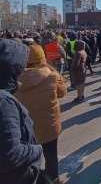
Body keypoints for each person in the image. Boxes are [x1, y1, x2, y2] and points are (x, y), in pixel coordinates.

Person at [14, 43, 67, 184]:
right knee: (51, 157)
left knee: (28, 161)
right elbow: (62, 92)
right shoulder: (51, 75)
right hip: (48, 124)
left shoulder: (13, 78)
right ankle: (54, 181)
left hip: (24, 128)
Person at [0, 39, 43, 184]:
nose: (22, 71)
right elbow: (11, 154)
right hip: (17, 177)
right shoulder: (4, 102)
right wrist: (37, 150)